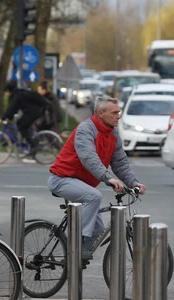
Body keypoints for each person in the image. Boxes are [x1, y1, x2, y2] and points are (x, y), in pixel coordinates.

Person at [47, 96, 146, 267]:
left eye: (119, 112)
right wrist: (109, 178)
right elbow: (89, 158)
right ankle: (76, 246)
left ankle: (77, 257)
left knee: (98, 230)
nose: (118, 116)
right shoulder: (86, 129)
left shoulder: (113, 134)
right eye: (114, 112)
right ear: (100, 113)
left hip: (81, 185)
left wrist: (133, 183)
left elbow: (120, 162)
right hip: (62, 179)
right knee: (94, 197)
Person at [0, 81, 47, 163]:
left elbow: (11, 108)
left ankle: (33, 146)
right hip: (35, 111)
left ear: (8, 91)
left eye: (6, 92)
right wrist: (8, 117)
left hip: (33, 112)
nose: (6, 94)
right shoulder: (19, 93)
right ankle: (27, 143)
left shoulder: (17, 96)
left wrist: (3, 118)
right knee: (20, 123)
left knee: (22, 126)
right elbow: (14, 109)